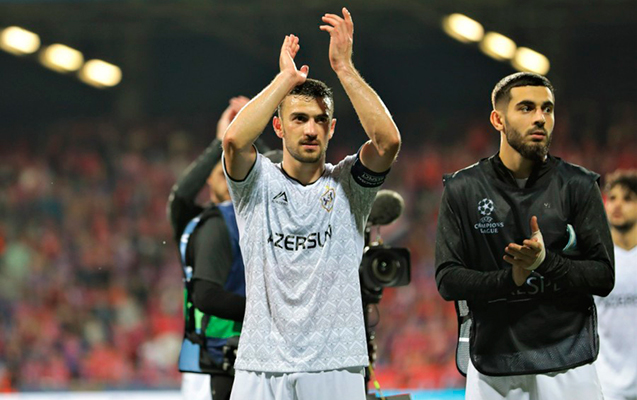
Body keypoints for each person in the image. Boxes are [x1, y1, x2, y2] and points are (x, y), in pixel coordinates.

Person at [221, 8, 401, 400]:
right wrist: (285, 80)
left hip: (335, 363)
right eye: (299, 118)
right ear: (278, 126)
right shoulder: (257, 184)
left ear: (332, 128)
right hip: (261, 363)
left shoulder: (349, 185)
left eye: (320, 120)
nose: (310, 129)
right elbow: (233, 142)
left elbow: (388, 142)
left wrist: (344, 68)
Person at [435, 72, 615, 399]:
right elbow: (447, 279)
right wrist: (511, 278)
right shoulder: (463, 188)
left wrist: (545, 263)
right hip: (493, 365)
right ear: (498, 120)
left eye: (548, 109)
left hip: (569, 363)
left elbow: (603, 276)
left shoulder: (579, 185)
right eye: (527, 108)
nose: (540, 118)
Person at [168, 96, 262, 400]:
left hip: (247, 349)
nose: (230, 179)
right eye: (222, 173)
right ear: (209, 177)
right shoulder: (199, 223)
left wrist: (249, 133)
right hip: (204, 354)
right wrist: (221, 142)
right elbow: (180, 197)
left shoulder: (259, 220)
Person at [595, 170, 637, 400]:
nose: (617, 205)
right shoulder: (595, 262)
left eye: (627, 198)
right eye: (612, 198)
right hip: (606, 386)